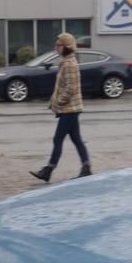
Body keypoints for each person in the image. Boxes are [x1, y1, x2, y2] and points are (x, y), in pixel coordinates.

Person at [30, 32, 92, 182]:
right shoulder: (66, 61)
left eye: (58, 45)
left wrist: (59, 102)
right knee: (76, 139)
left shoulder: (70, 64)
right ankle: (86, 167)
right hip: (70, 109)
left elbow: (70, 88)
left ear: (67, 46)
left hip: (70, 109)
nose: (55, 47)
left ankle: (48, 170)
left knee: (57, 139)